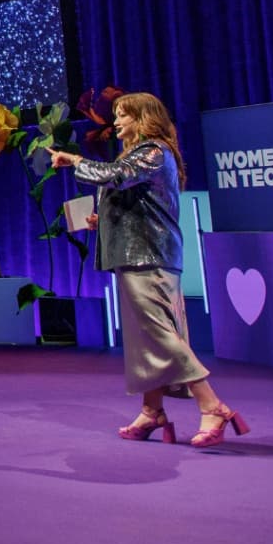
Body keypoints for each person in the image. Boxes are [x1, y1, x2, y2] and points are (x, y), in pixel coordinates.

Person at [48, 92, 250, 449]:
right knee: (145, 338)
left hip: (149, 256)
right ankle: (151, 411)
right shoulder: (143, 155)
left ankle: (212, 405)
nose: (116, 123)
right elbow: (135, 200)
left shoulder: (154, 151)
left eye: (123, 115)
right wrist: (103, 222)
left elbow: (115, 176)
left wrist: (74, 159)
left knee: (159, 334)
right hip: (138, 253)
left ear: (143, 118)